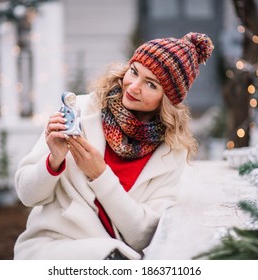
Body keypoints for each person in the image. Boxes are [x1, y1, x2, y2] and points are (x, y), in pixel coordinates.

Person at [13, 32, 214, 260]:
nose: (133, 87)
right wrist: (53, 160)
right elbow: (27, 195)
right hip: (52, 248)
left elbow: (142, 235)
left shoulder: (171, 152)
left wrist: (100, 175)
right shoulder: (79, 110)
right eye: (134, 71)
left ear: (166, 99)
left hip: (115, 257)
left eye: (150, 84)